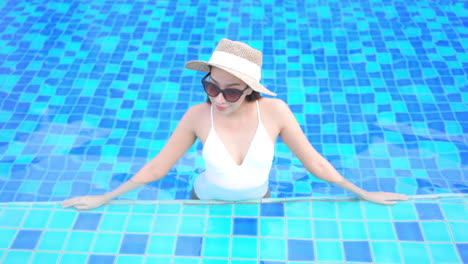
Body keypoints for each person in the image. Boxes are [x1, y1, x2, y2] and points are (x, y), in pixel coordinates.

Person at [62, 39, 408, 210]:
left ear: (251, 91)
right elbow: (158, 168)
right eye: (211, 87)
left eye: (230, 92)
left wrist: (364, 194)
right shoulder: (196, 117)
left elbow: (315, 163)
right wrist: (105, 197)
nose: (218, 99)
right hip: (204, 198)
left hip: (259, 198)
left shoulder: (275, 112)